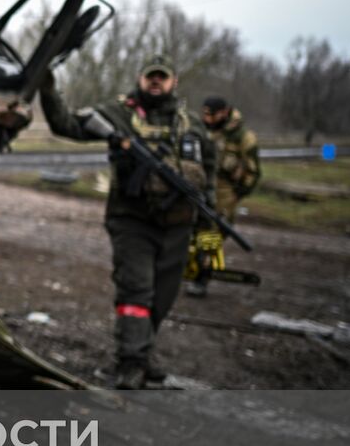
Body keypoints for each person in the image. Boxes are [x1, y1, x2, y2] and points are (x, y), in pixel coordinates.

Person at [39, 55, 215, 390]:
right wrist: (48, 91)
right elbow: (66, 125)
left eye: (162, 78)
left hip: (178, 225)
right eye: (151, 77)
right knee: (136, 290)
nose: (156, 83)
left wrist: (208, 231)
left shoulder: (191, 123)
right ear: (140, 78)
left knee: (162, 297)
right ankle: (130, 363)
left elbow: (210, 176)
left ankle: (142, 355)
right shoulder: (119, 114)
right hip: (132, 221)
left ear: (174, 82)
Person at [185, 96, 261, 296]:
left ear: (224, 112)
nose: (207, 118)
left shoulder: (242, 137)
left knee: (209, 238)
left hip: (224, 197)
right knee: (191, 235)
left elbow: (253, 172)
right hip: (199, 190)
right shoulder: (202, 131)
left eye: (211, 114)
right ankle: (190, 272)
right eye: (205, 114)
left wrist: (236, 195)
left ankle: (201, 279)